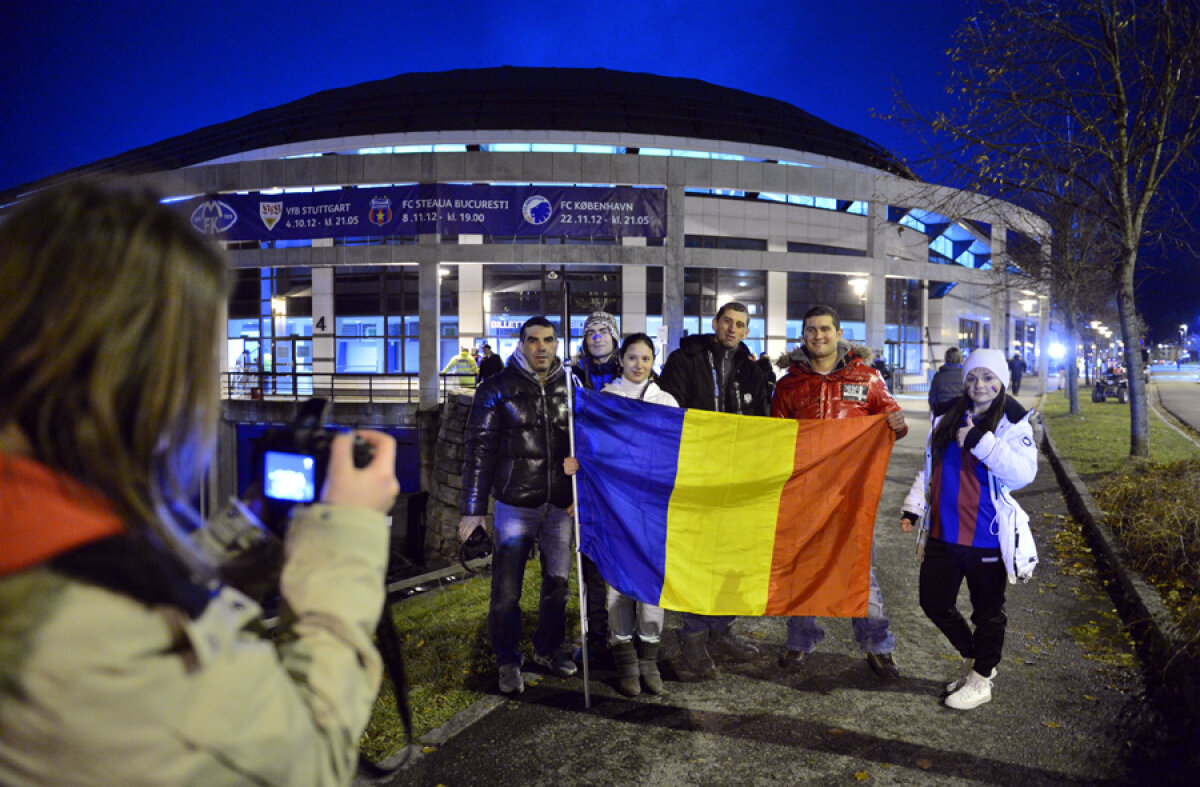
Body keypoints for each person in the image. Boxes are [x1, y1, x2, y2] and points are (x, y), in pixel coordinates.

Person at [0, 181, 400, 784]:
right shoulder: (91, 646)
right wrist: (348, 534)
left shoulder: (44, 539)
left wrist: (250, 528)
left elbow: (125, 583)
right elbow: (308, 764)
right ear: (151, 377)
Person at [771, 305, 908, 679]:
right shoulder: (788, 385)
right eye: (811, 330)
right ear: (803, 335)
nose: (818, 336)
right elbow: (775, 439)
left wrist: (897, 423)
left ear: (839, 332)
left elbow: (892, 420)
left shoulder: (867, 378)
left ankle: (878, 644)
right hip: (805, 496)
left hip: (851, 494)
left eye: (825, 329)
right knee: (803, 568)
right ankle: (799, 642)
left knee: (858, 566)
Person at [900, 348, 1038, 710]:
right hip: (943, 533)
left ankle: (980, 678)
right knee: (933, 602)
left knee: (987, 612)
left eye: (989, 378)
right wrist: (914, 507)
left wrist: (981, 441)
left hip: (986, 536)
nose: (980, 385)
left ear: (1001, 382)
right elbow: (931, 468)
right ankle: (981, 662)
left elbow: (1024, 474)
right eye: (973, 378)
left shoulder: (1012, 420)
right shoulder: (947, 415)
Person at [459, 316, 576, 694]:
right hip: (514, 505)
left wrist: (581, 493)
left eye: (548, 340)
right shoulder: (496, 388)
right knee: (507, 589)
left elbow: (587, 443)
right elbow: (479, 450)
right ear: (521, 344)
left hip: (559, 504)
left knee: (557, 586)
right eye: (533, 340)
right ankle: (508, 660)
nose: (541, 347)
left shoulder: (572, 387)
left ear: (557, 344)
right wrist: (473, 510)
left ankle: (548, 648)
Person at [657, 301, 771, 679]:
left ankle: (720, 628)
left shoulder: (752, 370)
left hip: (737, 480)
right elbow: (668, 412)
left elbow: (764, 425)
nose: (732, 329)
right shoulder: (685, 358)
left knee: (737, 559)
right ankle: (693, 635)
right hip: (696, 476)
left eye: (740, 324)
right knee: (700, 559)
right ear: (715, 323)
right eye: (727, 321)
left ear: (747, 330)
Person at [564, 333, 677, 697]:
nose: (639, 365)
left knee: (651, 586)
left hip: (653, 509)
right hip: (615, 506)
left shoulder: (666, 401)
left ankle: (649, 659)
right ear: (622, 360)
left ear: (653, 361)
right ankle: (625, 658)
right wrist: (576, 466)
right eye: (632, 358)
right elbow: (592, 450)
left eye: (645, 358)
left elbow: (676, 452)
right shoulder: (605, 401)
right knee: (617, 585)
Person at [569, 311, 623, 662]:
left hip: (621, 480)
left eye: (605, 331)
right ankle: (596, 634)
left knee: (622, 556)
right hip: (586, 476)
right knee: (589, 559)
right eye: (591, 332)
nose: (598, 337)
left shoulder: (632, 370)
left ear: (616, 337)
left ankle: (625, 635)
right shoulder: (571, 377)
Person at [929, 347, 965, 417]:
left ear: (946, 358)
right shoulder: (964, 375)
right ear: (960, 358)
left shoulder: (938, 376)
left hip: (942, 413)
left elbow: (932, 397)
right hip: (960, 412)